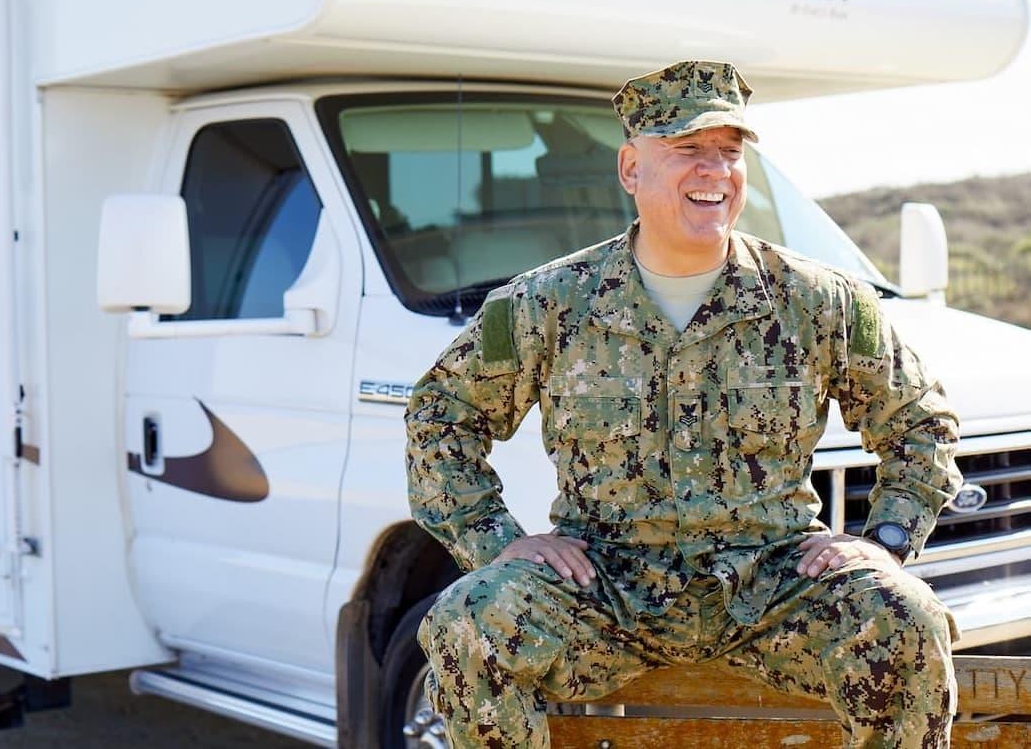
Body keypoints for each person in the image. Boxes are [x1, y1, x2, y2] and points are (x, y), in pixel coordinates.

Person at [405, 60, 962, 748]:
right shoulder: (547, 303)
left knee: (907, 619)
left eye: (729, 152)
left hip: (773, 585)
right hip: (606, 589)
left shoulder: (817, 300)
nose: (714, 171)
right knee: (466, 624)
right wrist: (496, 544)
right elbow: (441, 415)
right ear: (631, 169)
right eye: (688, 149)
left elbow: (920, 423)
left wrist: (886, 543)